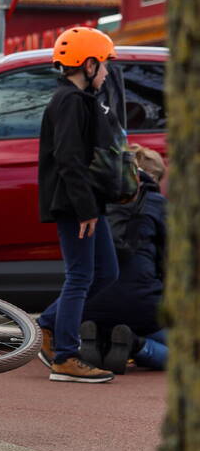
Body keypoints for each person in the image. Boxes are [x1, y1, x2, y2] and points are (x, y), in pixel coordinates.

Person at [36, 27, 121, 383]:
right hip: (75, 204)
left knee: (106, 273)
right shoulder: (69, 101)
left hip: (86, 203)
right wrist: (86, 208)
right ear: (87, 64)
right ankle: (66, 357)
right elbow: (69, 158)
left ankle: (50, 324)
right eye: (103, 66)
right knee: (81, 276)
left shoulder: (80, 99)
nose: (105, 73)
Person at [80, 144, 167, 372]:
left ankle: (96, 340)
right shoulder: (158, 204)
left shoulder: (95, 200)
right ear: (155, 177)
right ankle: (137, 345)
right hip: (141, 306)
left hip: (90, 300)